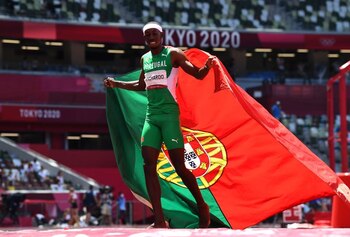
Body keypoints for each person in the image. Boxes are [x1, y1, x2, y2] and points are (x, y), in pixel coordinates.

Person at [104, 21, 214, 228]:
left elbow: (197, 74)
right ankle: (159, 219)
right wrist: (116, 84)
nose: (151, 37)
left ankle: (202, 206)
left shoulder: (173, 54)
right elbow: (141, 85)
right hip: (151, 117)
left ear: (161, 35)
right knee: (148, 166)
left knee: (180, 166)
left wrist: (207, 66)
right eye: (147, 35)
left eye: (154, 33)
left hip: (169, 116)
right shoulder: (145, 58)